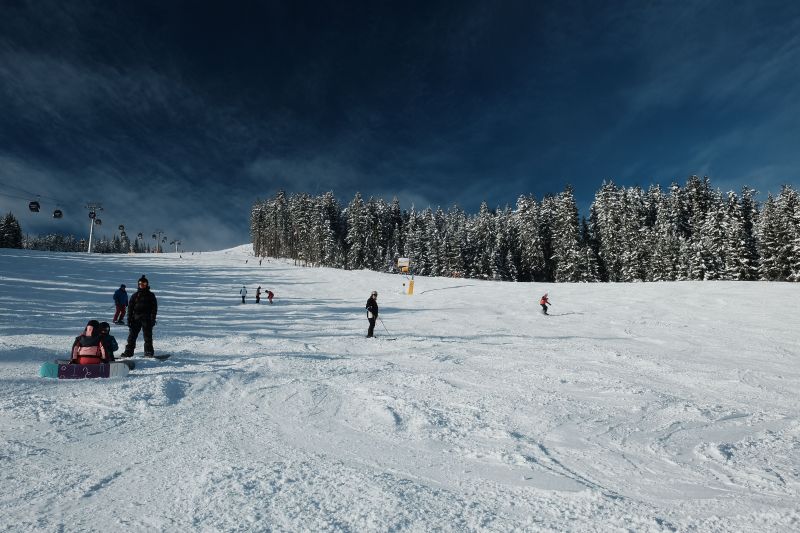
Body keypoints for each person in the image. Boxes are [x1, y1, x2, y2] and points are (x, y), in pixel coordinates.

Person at [121, 275, 158, 358]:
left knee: (148, 337)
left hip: (147, 319)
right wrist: (129, 319)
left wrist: (153, 318)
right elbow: (130, 308)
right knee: (132, 336)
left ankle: (148, 352)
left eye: (144, 284)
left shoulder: (151, 295)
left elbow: (154, 308)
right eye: (140, 284)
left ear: (147, 285)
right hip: (136, 319)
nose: (142, 285)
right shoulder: (135, 295)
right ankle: (128, 352)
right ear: (138, 284)